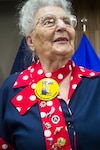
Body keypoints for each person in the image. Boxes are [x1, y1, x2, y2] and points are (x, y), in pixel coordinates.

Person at [0, 0, 100, 149]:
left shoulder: (96, 83)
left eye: (67, 21)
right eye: (48, 22)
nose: (62, 26)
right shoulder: (12, 88)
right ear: (30, 41)